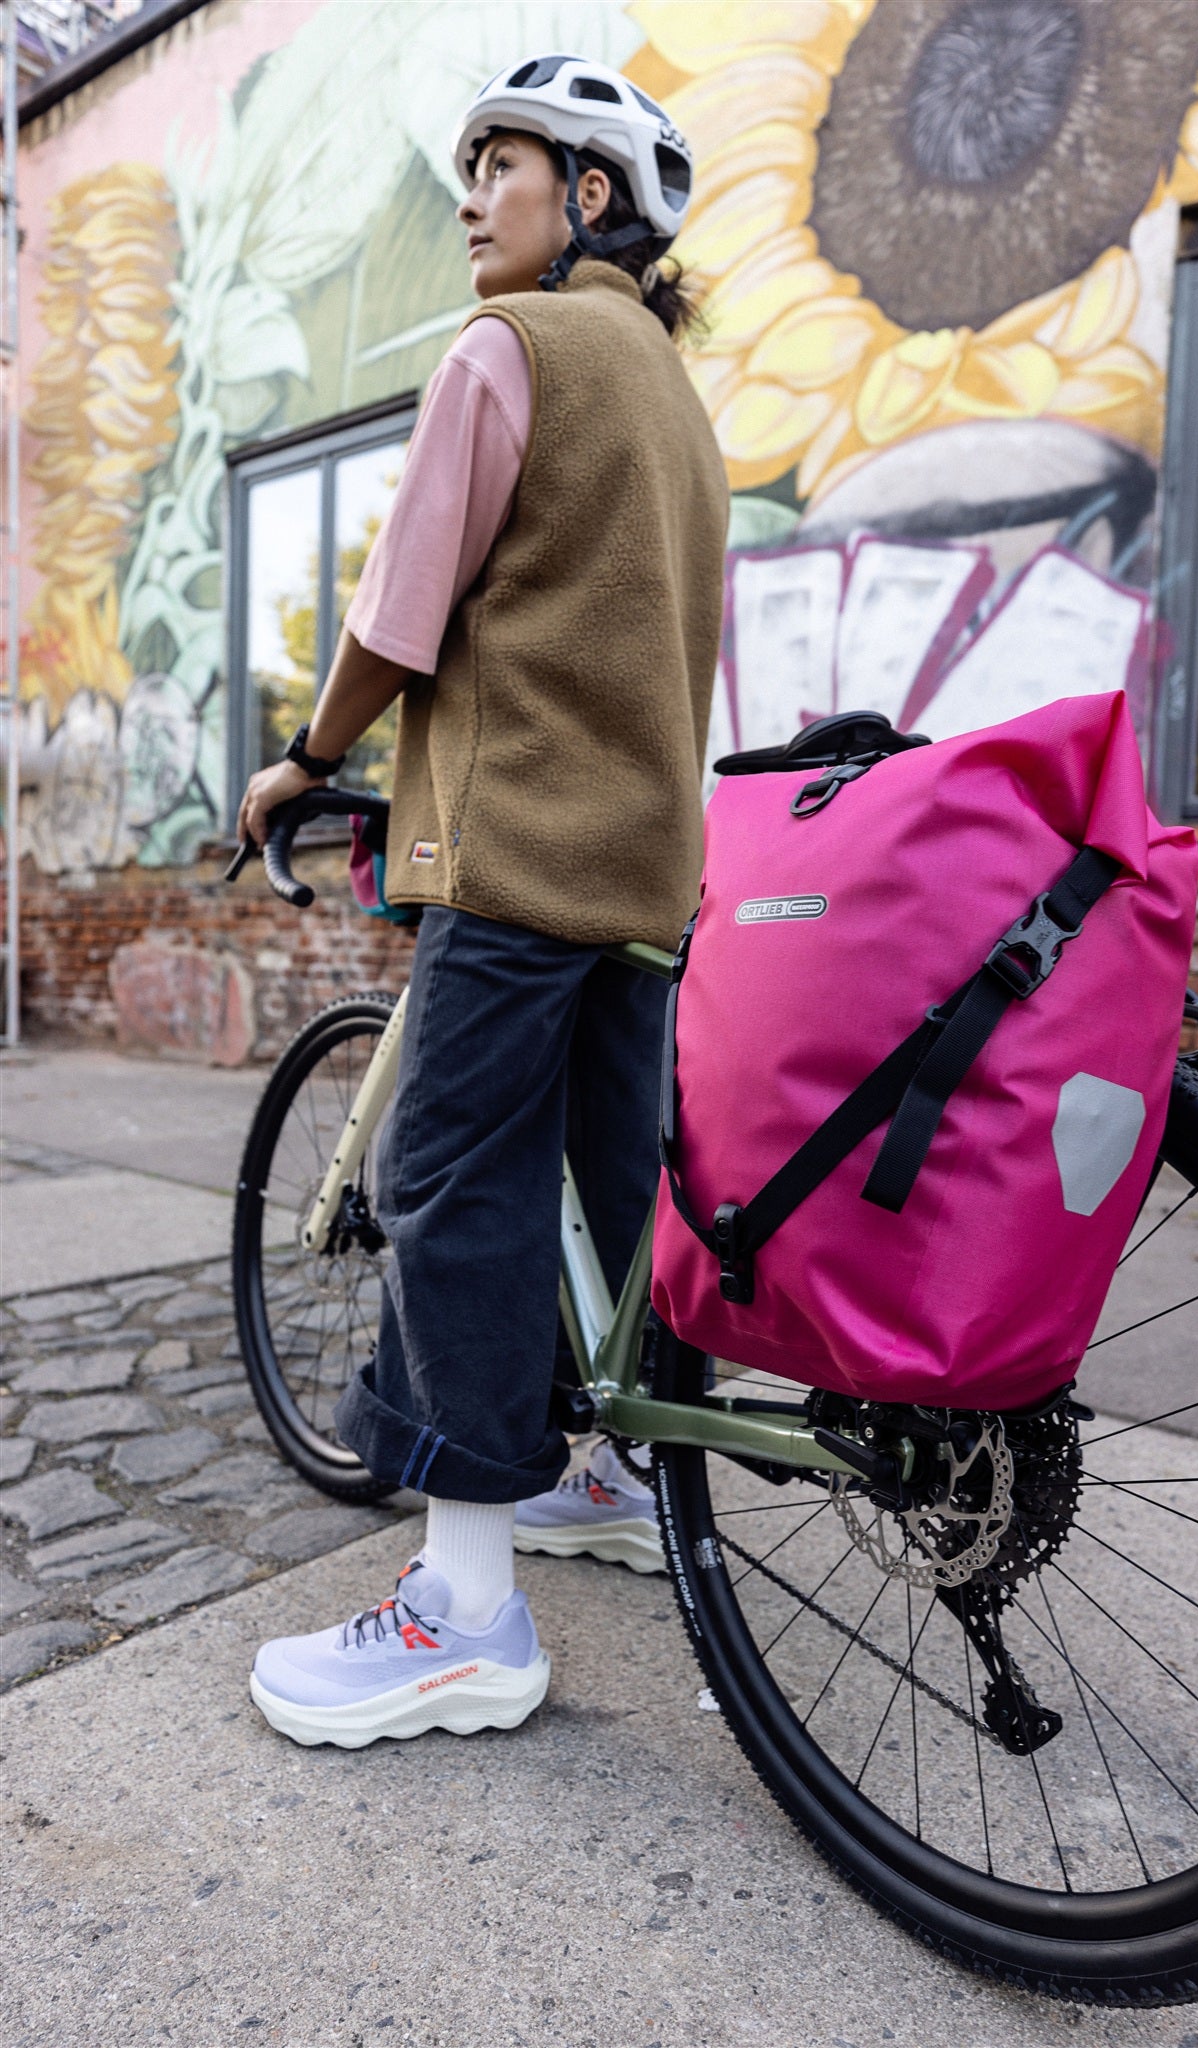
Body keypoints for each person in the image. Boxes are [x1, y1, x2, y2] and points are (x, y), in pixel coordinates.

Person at [236, 55, 729, 1749]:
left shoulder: (506, 349)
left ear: (586, 196)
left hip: (516, 855)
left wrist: (307, 756)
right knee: (611, 1184)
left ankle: (460, 1614)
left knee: (453, 1181)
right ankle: (611, 1475)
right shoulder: (672, 396)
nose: (468, 198)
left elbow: (402, 608)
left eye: (497, 166)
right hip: (647, 867)